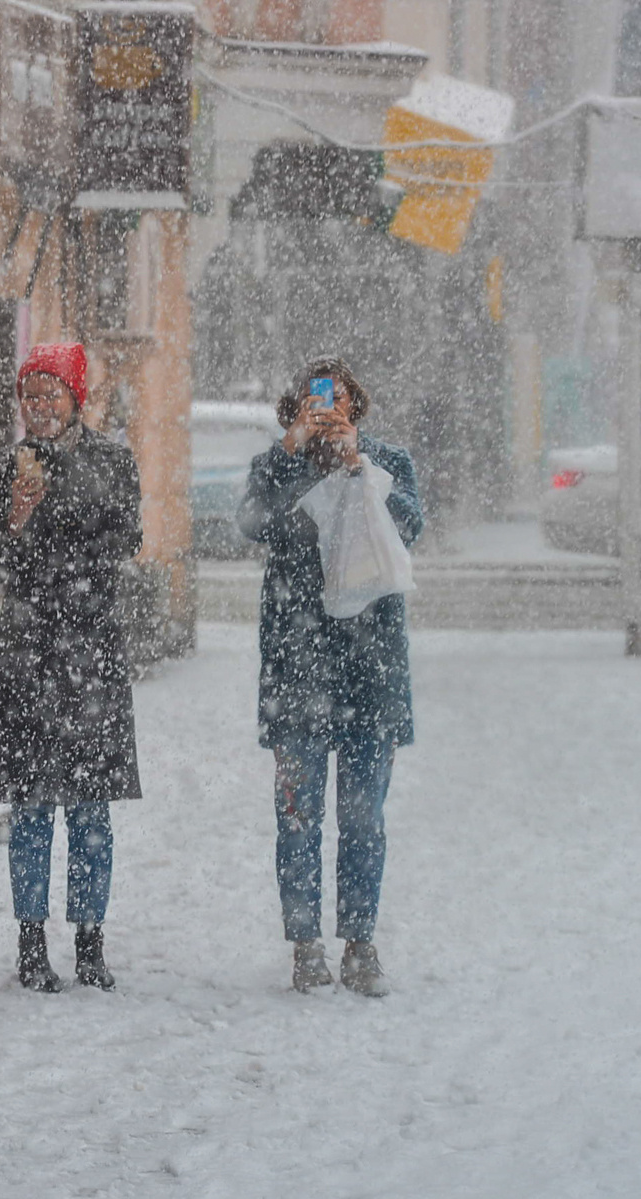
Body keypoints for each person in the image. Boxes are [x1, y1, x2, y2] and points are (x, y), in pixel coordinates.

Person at [238, 356, 423, 996]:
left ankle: (360, 943)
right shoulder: (276, 465)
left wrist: (356, 468)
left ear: (357, 408)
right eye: (318, 401)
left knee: (364, 817)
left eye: (339, 401)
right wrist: (295, 454)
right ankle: (305, 943)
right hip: (297, 672)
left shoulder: (387, 462)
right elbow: (254, 525)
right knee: (298, 816)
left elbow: (409, 530)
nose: (329, 411)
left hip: (372, 675)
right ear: (298, 409)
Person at [0, 343, 143, 992]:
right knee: (33, 809)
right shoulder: (3, 466)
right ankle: (29, 941)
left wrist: (65, 498)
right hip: (25, 652)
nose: (39, 409)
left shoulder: (111, 460)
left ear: (77, 398)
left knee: (91, 811)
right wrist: (16, 517)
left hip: (91, 653)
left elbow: (123, 540)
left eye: (52, 396)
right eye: (30, 397)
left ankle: (91, 941)